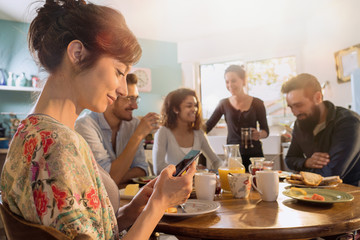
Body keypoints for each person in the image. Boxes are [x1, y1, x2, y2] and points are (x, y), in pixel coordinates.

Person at [0, 1, 195, 239]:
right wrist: (160, 203)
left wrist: (130, 212)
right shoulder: (60, 145)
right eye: (119, 72)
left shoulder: (28, 132)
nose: (123, 89)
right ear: (77, 54)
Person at [75, 73, 159, 186]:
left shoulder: (133, 124)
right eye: (130, 99)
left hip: (124, 197)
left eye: (136, 99)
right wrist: (137, 136)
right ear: (112, 98)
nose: (135, 106)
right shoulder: (85, 125)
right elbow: (107, 180)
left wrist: (115, 177)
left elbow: (142, 170)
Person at [281, 73, 360, 186]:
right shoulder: (301, 122)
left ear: (318, 97)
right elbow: (289, 159)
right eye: (291, 107)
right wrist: (307, 162)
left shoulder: (349, 122)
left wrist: (301, 173)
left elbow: (331, 175)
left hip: (350, 195)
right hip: (314, 193)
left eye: (298, 105)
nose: (295, 112)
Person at [206, 65, 269, 171]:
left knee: (256, 183)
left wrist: (259, 134)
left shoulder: (258, 103)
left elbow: (266, 131)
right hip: (233, 156)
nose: (230, 85)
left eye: (233, 81)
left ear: (243, 81)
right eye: (227, 82)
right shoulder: (223, 104)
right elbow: (207, 127)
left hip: (255, 155)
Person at [153, 88, 223, 175]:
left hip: (192, 186)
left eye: (195, 105)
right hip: (170, 186)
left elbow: (216, 161)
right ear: (175, 109)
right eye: (189, 106)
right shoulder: (163, 132)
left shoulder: (199, 134)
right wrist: (190, 171)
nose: (195, 109)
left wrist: (224, 169)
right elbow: (158, 168)